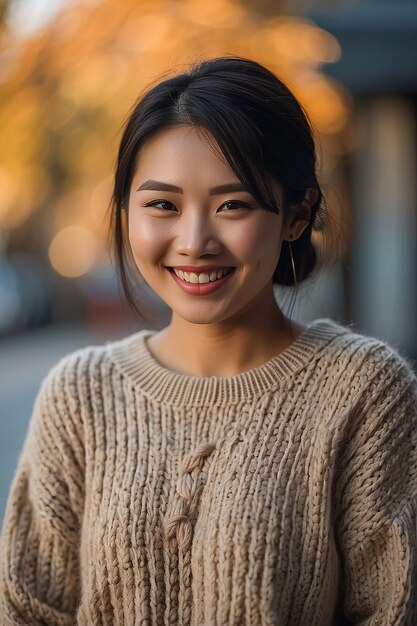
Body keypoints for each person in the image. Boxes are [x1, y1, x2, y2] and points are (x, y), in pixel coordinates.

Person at [1, 56, 416, 626]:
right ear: (127, 214)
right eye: (162, 205)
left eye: (233, 205)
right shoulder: (79, 396)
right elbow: (27, 610)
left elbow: (394, 609)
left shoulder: (364, 391)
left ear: (297, 215)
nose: (194, 241)